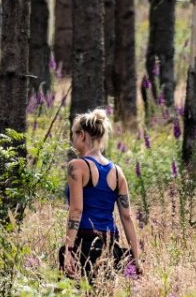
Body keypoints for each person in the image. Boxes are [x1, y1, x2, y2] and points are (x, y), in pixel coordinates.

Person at [59, 108, 143, 281]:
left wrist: (68, 250)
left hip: (84, 241)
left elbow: (76, 210)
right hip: (111, 245)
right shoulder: (118, 172)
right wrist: (136, 258)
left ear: (82, 135)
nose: (72, 139)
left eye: (74, 134)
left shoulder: (77, 166)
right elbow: (127, 216)